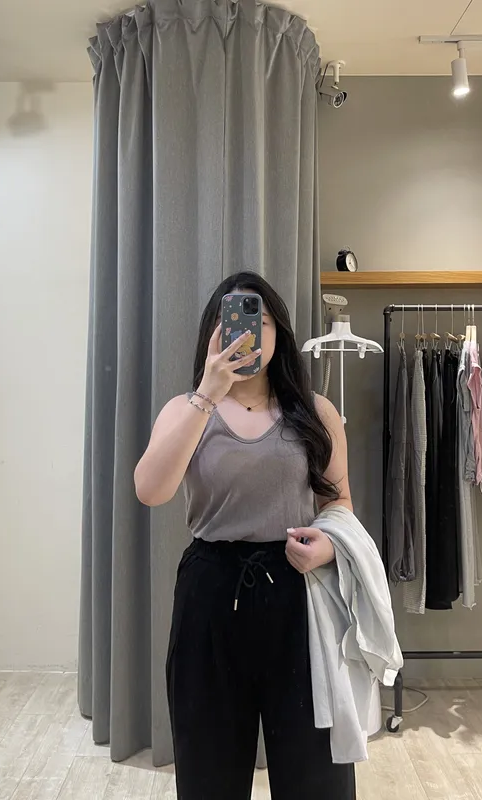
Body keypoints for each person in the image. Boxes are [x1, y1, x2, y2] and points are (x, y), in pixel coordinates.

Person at [134, 272, 356, 800]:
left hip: (298, 592)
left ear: (279, 333)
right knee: (208, 770)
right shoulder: (184, 410)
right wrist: (207, 395)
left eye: (262, 320)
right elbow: (150, 490)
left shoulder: (316, 412)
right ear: (213, 332)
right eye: (230, 320)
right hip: (210, 595)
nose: (247, 332)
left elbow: (340, 504)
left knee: (315, 772)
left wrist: (327, 546)